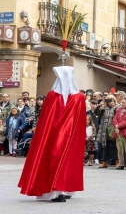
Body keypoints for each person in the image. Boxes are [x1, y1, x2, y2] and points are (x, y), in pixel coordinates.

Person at [19, 67, 85, 202]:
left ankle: (56, 191)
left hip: (54, 134)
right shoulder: (79, 97)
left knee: (53, 158)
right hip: (71, 135)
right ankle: (65, 189)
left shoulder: (52, 95)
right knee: (67, 159)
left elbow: (45, 118)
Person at [97, 97, 117, 168]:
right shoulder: (104, 108)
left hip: (113, 129)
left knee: (115, 147)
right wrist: (100, 105)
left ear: (114, 101)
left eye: (111, 101)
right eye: (108, 102)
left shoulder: (117, 108)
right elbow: (96, 112)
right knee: (105, 146)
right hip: (105, 130)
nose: (110, 103)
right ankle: (104, 162)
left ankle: (117, 162)